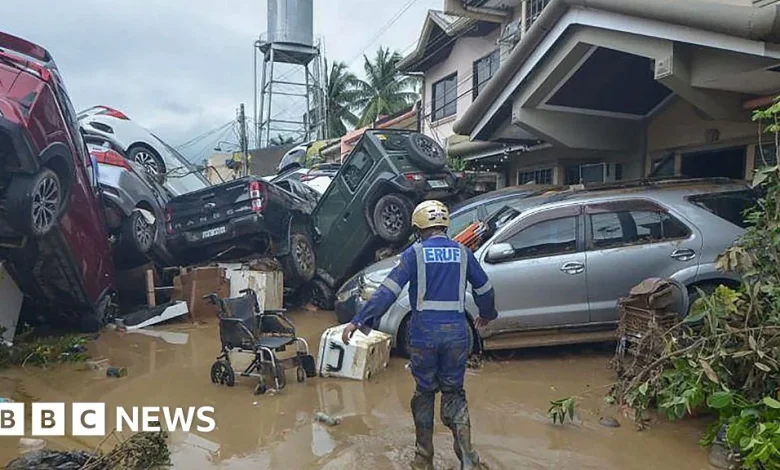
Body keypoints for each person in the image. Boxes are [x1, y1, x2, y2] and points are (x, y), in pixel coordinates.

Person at [342, 200, 497, 470]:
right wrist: (486, 314)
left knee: (424, 393)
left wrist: (359, 320)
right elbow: (485, 289)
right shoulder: (463, 252)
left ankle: (423, 460)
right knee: (455, 393)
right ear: (444, 225)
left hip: (424, 334)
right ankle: (469, 461)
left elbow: (387, 291)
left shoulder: (415, 254)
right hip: (457, 334)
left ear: (418, 227)